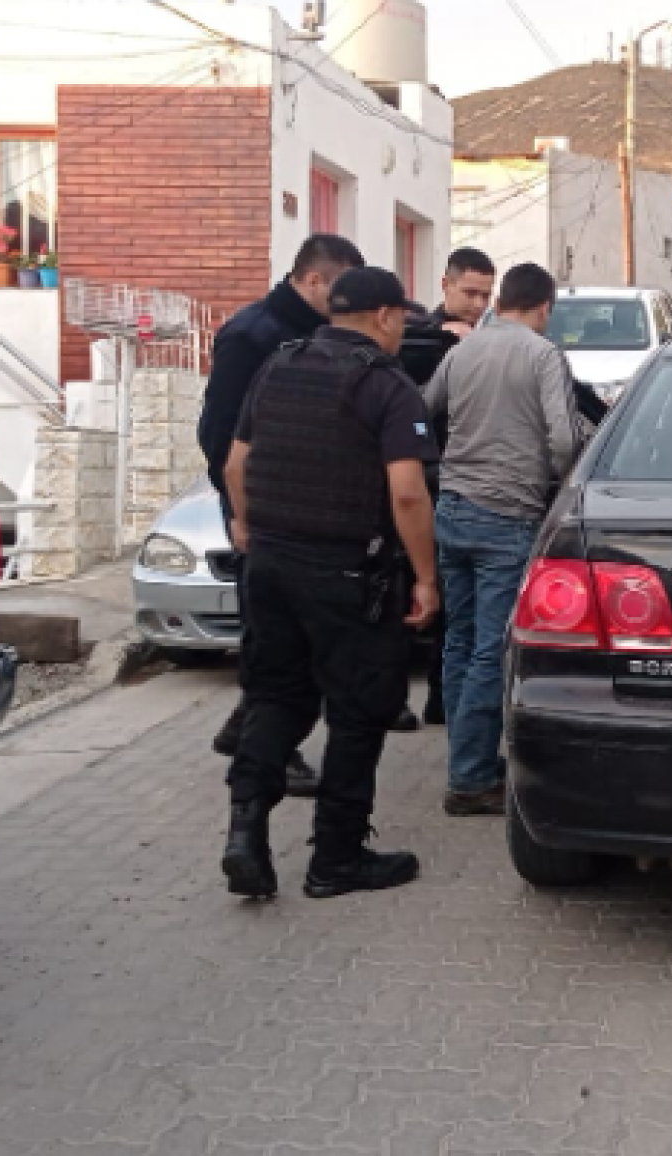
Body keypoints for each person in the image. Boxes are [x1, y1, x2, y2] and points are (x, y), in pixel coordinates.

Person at [218, 267, 443, 900]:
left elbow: (238, 463)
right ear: (385, 317)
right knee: (357, 712)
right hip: (347, 575)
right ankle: (337, 858)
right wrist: (426, 578)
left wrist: (245, 523)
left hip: (270, 567)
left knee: (275, 698)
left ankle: (245, 834)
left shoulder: (279, 365)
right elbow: (406, 494)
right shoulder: (387, 385)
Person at [198, 235, 367, 799]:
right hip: (263, 509)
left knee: (284, 633)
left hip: (301, 508)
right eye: (339, 290)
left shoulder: (314, 335)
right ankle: (269, 751)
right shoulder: (253, 336)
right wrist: (238, 511)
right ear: (313, 280)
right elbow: (220, 434)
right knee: (273, 636)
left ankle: (247, 728)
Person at [423, 263, 587, 817]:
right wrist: (557, 487)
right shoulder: (543, 356)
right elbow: (564, 440)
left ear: (503, 299)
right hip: (508, 514)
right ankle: (469, 778)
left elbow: (426, 409)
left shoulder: (464, 349)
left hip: (452, 510)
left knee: (460, 640)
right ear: (545, 307)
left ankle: (462, 758)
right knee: (493, 650)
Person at [400, 248, 500, 726]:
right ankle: (399, 698)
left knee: (458, 607)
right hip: (421, 481)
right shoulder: (419, 338)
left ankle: (444, 700)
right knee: (423, 596)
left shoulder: (492, 341)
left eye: (487, 295)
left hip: (466, 484)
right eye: (470, 293)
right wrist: (437, 338)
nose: (479, 304)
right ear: (445, 285)